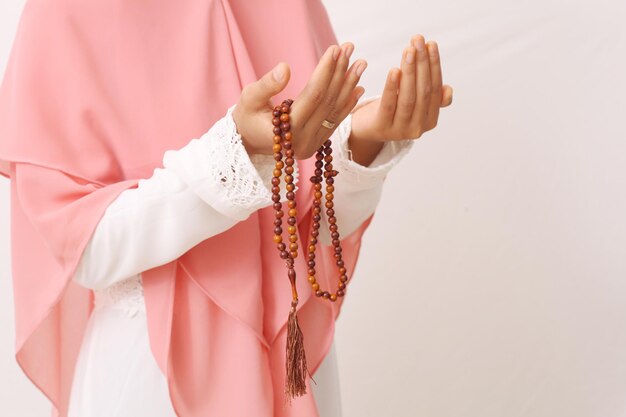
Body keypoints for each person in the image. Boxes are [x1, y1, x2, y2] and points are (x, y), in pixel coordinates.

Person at [0, 0, 452, 416]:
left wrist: (363, 142)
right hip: (154, 379)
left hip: (293, 367)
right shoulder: (66, 10)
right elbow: (84, 249)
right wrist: (237, 154)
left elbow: (310, 231)